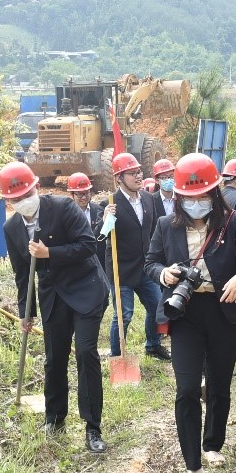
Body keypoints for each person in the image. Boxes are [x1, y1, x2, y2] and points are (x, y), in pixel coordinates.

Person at [146, 153, 236, 473]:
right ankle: (192, 466)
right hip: (184, 313)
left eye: (204, 196)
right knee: (186, 389)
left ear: (215, 193)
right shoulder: (165, 225)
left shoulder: (230, 222)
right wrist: (164, 272)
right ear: (179, 197)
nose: (197, 203)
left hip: (223, 310)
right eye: (190, 198)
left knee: (218, 383)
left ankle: (212, 442)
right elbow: (149, 263)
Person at [0, 162, 110, 453]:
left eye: (27, 193)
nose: (23, 201)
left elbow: (87, 246)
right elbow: (23, 274)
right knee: (54, 359)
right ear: (8, 201)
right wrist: (27, 312)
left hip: (86, 288)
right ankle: (55, 416)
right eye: (16, 198)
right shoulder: (12, 228)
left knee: (86, 353)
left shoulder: (63, 208)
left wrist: (50, 253)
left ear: (36, 187)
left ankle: (92, 427)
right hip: (53, 296)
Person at [104, 152, 170, 360]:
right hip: (121, 269)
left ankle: (153, 345)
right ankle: (117, 356)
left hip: (146, 267)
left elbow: (154, 232)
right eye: (132, 173)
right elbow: (101, 235)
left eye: (139, 172)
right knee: (124, 316)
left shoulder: (149, 199)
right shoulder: (111, 203)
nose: (138, 176)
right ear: (119, 178)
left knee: (157, 306)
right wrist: (106, 219)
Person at [67, 172, 107, 269]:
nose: (84, 197)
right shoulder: (66, 214)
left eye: (86, 193)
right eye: (80, 195)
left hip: (99, 261)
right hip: (77, 263)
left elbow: (104, 234)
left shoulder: (98, 210)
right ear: (72, 194)